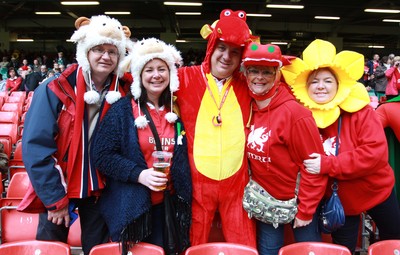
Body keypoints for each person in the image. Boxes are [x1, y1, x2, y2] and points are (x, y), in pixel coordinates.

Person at [17, 15, 132, 255]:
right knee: (52, 249)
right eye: (98, 49)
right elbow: (36, 148)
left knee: (101, 250)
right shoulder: (54, 87)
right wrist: (54, 199)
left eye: (112, 51)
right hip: (60, 186)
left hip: (100, 189)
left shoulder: (125, 90)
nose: (105, 56)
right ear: (85, 52)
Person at [282, 39, 400, 253]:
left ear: (338, 85)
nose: (320, 86)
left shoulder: (360, 112)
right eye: (314, 81)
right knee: (343, 249)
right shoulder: (299, 117)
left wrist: (329, 164)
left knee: (395, 241)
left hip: (377, 191)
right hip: (341, 202)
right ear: (305, 87)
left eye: (328, 81)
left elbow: (375, 154)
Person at [92, 38, 192, 254]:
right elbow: (101, 155)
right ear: (139, 75)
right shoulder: (122, 110)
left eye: (162, 69)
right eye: (149, 70)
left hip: (168, 207)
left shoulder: (178, 110)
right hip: (134, 209)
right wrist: (139, 174)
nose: (156, 75)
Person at [175, 9, 258, 247]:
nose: (226, 57)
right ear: (211, 47)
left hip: (237, 185)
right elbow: (141, 75)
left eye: (235, 52)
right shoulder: (186, 77)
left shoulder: (249, 84)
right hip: (198, 183)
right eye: (222, 48)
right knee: (193, 243)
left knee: (243, 245)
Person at [242, 42, 327, 255]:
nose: (259, 77)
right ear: (246, 73)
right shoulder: (248, 107)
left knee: (307, 252)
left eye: (267, 72)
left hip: (298, 203)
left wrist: (306, 211)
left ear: (277, 75)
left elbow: (314, 167)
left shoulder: (296, 114)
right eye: (254, 70)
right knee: (269, 251)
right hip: (266, 204)